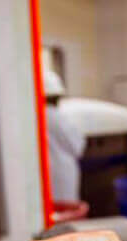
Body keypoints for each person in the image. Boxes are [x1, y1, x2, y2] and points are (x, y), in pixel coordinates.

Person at [43, 70, 85, 201]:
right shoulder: (59, 118)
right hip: (62, 174)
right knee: (65, 211)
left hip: (43, 176)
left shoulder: (33, 117)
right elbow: (78, 147)